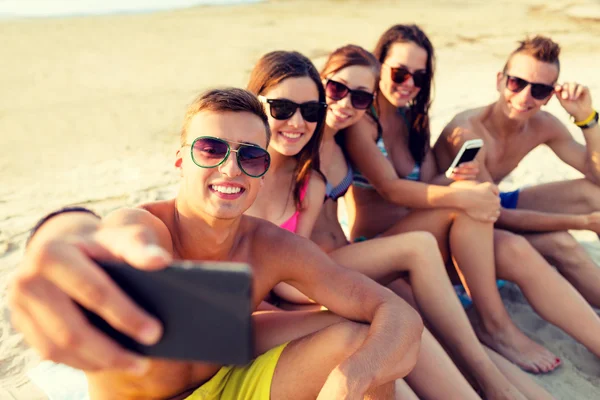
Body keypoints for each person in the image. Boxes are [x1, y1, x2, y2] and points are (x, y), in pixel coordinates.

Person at [8, 88, 424, 400]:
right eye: (210, 149)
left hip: (227, 385)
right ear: (180, 159)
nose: (230, 168)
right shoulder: (146, 230)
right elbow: (105, 235)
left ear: (262, 171)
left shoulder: (270, 246)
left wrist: (351, 379)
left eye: (251, 157)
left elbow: (395, 313)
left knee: (361, 340)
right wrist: (60, 230)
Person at [245, 48, 551, 399]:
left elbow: (297, 260)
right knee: (390, 307)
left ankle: (492, 374)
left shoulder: (310, 179)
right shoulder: (238, 176)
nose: (298, 122)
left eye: (360, 97)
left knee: (403, 314)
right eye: (283, 108)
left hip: (316, 277)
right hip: (280, 303)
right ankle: (491, 369)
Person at [342, 23, 600, 373]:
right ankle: (496, 327)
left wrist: (587, 119)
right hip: (383, 243)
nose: (409, 85)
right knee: (475, 206)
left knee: (518, 247)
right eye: (400, 73)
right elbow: (392, 189)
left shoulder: (411, 117)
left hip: (433, 235)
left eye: (419, 77)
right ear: (378, 67)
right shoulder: (363, 122)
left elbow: (433, 181)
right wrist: (581, 223)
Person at [434, 35, 600, 309]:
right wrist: (583, 222)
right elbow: (498, 215)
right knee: (561, 242)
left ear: (550, 95)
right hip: (460, 226)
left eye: (539, 90)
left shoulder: (543, 125)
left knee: (592, 194)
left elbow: (596, 176)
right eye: (517, 83)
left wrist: (587, 119)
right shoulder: (468, 132)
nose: (525, 98)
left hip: (495, 202)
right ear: (500, 80)